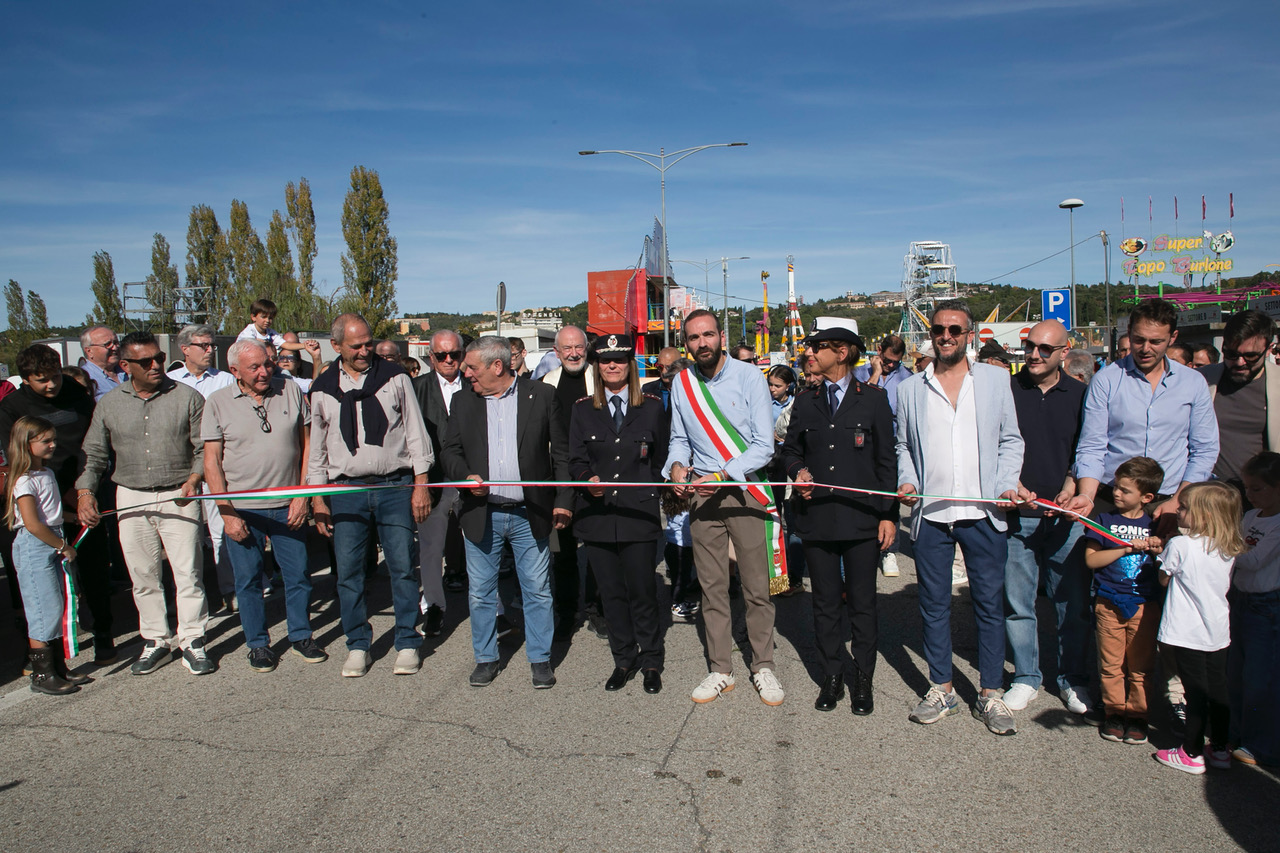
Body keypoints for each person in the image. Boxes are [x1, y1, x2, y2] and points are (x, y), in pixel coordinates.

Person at [1075, 299, 1220, 732]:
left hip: (1171, 501)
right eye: (1138, 339)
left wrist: (1180, 502)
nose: (1144, 348)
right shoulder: (1108, 379)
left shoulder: (1192, 385)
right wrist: (1086, 495)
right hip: (1114, 498)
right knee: (1107, 593)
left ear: (1172, 339)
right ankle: (1111, 697)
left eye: (1155, 341)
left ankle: (1164, 695)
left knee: (1166, 598)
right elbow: (1092, 444)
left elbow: (1204, 448)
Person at [896, 300, 1024, 736]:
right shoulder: (910, 388)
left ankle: (991, 694)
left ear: (970, 334)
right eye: (938, 330)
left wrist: (1007, 482)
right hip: (931, 514)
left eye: (955, 329)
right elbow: (903, 447)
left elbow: (1011, 439)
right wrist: (909, 482)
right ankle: (942, 687)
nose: (946, 336)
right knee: (933, 605)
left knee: (989, 605)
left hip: (983, 512)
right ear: (930, 335)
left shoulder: (994, 380)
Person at [665, 309, 786, 707]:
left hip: (745, 490)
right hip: (702, 495)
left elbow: (763, 446)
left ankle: (763, 664)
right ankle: (720, 669)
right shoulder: (682, 382)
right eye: (695, 338)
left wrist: (722, 474)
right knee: (712, 587)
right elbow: (679, 438)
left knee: (756, 587)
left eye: (709, 335)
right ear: (687, 343)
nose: (703, 343)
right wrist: (677, 466)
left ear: (721, 336)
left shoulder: (750, 377)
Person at [76, 331, 213, 676]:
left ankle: (193, 640)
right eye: (145, 361)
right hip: (130, 496)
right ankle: (155, 640)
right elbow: (93, 454)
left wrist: (195, 479)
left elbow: (204, 449)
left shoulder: (187, 397)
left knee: (188, 573)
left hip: (178, 494)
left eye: (160, 359)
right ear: (125, 365)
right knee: (143, 575)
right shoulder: (109, 404)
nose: (156, 365)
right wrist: (85, 492)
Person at [440, 336, 571, 689]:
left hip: (531, 512)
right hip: (482, 511)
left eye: (472, 367)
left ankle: (540, 660)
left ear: (497, 366)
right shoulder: (462, 401)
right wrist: (464, 476)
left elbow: (560, 453)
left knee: (537, 590)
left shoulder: (540, 396)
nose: (465, 373)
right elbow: (449, 451)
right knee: (481, 592)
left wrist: (563, 500)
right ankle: (485, 658)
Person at [308, 314, 433, 678]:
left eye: (368, 343)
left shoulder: (395, 377)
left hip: (394, 486)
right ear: (336, 347)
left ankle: (408, 640)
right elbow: (316, 449)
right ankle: (358, 644)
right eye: (356, 346)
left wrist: (420, 483)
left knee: (402, 568)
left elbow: (415, 431)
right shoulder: (322, 388)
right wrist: (318, 500)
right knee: (348, 574)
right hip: (346, 491)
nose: (366, 351)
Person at [780, 325, 896, 714]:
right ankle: (833, 675)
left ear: (843, 353)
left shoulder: (874, 401)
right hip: (817, 518)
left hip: (862, 519)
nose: (810, 353)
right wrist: (798, 471)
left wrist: (888, 515)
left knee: (862, 604)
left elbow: (886, 463)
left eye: (819, 347)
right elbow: (790, 449)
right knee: (825, 604)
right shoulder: (807, 399)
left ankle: (863, 678)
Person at [203, 339, 326, 672]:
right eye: (255, 367)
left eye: (267, 364)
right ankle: (258, 644)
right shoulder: (217, 403)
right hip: (243, 509)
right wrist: (226, 513)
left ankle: (301, 635)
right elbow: (211, 462)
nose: (264, 371)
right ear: (234, 371)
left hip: (288, 506)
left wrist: (303, 496)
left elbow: (308, 446)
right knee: (248, 582)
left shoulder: (288, 390)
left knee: (298, 575)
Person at [0, 346, 116, 664]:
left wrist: (83, 489)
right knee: (35, 582)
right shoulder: (12, 407)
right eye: (42, 381)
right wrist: (52, 489)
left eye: (54, 378)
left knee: (93, 564)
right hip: (36, 495)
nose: (52, 385)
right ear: (26, 380)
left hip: (81, 489)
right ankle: (40, 650)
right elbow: (14, 457)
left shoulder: (77, 393)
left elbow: (93, 441)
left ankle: (103, 632)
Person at [568, 335, 669, 694]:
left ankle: (652, 660)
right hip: (597, 515)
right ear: (597, 366)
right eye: (606, 361)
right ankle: (623, 658)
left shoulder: (652, 407)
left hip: (636, 514)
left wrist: (649, 487)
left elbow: (659, 458)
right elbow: (576, 459)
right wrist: (585, 480)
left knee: (642, 591)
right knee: (611, 594)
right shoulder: (582, 409)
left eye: (620, 360)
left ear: (630, 365)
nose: (612, 366)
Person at [1003, 321, 1094, 716]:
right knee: (1018, 602)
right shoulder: (1007, 391)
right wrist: (1010, 482)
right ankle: (1026, 677)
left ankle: (1073, 679)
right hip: (1017, 514)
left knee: (1070, 604)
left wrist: (1074, 484)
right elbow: (992, 444)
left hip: (1066, 516)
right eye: (1030, 347)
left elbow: (1088, 448)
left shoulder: (1081, 395)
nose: (1034, 355)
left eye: (1045, 349)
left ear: (1064, 352)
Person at [1154, 481, 1245, 774]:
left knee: (1194, 692)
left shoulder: (1180, 544)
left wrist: (1162, 553)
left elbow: (1164, 579)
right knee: (1218, 689)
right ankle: (1219, 748)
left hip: (1187, 631)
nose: (1178, 510)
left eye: (1184, 508)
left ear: (1203, 516)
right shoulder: (1227, 546)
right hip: (1217, 629)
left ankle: (1191, 752)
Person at [6, 416, 93, 694]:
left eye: (53, 439)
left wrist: (77, 517)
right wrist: (62, 546)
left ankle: (58, 667)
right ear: (26, 444)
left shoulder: (46, 473)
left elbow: (51, 515)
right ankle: (42, 675)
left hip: (52, 540)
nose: (53, 445)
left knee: (57, 606)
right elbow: (32, 524)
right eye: (45, 441)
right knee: (42, 611)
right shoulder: (22, 481)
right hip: (36, 547)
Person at [1084, 457, 1166, 745]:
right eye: (1116, 487)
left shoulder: (1156, 526)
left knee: (1141, 664)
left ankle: (1138, 716)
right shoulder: (1104, 521)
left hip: (1145, 604)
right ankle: (1114, 713)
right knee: (1111, 663)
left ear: (1147, 497)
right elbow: (1092, 560)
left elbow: (1170, 565)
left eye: (1125, 490)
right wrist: (1125, 548)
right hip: (1108, 603)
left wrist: (1159, 548)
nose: (1116, 494)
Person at [168, 324, 238, 613]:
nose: (210, 350)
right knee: (185, 537)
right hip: (180, 468)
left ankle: (230, 589)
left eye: (212, 346)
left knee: (222, 529)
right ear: (185, 349)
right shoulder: (170, 382)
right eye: (204, 345)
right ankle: (186, 600)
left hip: (215, 466)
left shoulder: (224, 381)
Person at [541, 325, 604, 640]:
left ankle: (597, 609)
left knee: (598, 547)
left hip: (595, 474)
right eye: (567, 349)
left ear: (587, 348)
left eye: (579, 347)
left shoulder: (602, 378)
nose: (574, 353)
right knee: (561, 549)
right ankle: (566, 611)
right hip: (558, 478)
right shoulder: (545, 385)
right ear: (556, 352)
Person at [412, 329, 469, 631]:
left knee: (480, 546)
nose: (449, 360)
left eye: (455, 354)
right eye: (442, 355)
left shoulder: (475, 386)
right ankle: (433, 606)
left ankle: (494, 611)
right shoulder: (415, 388)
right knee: (431, 550)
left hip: (469, 479)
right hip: (432, 480)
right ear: (431, 357)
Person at [1228, 451, 1280, 766]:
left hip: (1267, 607)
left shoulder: (1277, 524)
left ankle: (1260, 743)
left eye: (1258, 488)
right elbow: (1240, 554)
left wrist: (1225, 547)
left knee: (1261, 677)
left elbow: (1254, 560)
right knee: (1236, 673)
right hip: (1240, 600)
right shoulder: (1250, 517)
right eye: (1247, 488)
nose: (1250, 494)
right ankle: (1236, 733)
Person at [1199, 310, 1280, 506]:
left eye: (1250, 356)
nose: (1239, 363)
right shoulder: (1201, 380)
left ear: (1269, 349)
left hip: (1264, 504)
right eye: (1231, 354)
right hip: (1209, 499)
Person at [855, 334, 913, 578]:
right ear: (879, 352)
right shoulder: (859, 374)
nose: (891, 366)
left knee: (890, 496)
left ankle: (890, 550)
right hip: (865, 442)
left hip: (892, 442)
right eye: (887, 360)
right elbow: (859, 404)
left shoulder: (907, 378)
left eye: (895, 363)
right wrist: (876, 375)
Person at [237, 298, 322, 359]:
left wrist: (305, 345)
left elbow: (286, 345)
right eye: (263, 317)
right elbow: (252, 344)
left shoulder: (271, 333)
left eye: (270, 318)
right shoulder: (248, 332)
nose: (267, 321)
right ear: (253, 317)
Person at [79, 325, 123, 402]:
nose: (115, 348)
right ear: (89, 351)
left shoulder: (127, 371)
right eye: (107, 344)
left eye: (116, 343)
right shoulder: (84, 378)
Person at [640, 347, 681, 414]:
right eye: (660, 367)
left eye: (669, 367)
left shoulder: (689, 389)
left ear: (679, 366)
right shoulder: (647, 390)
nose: (664, 371)